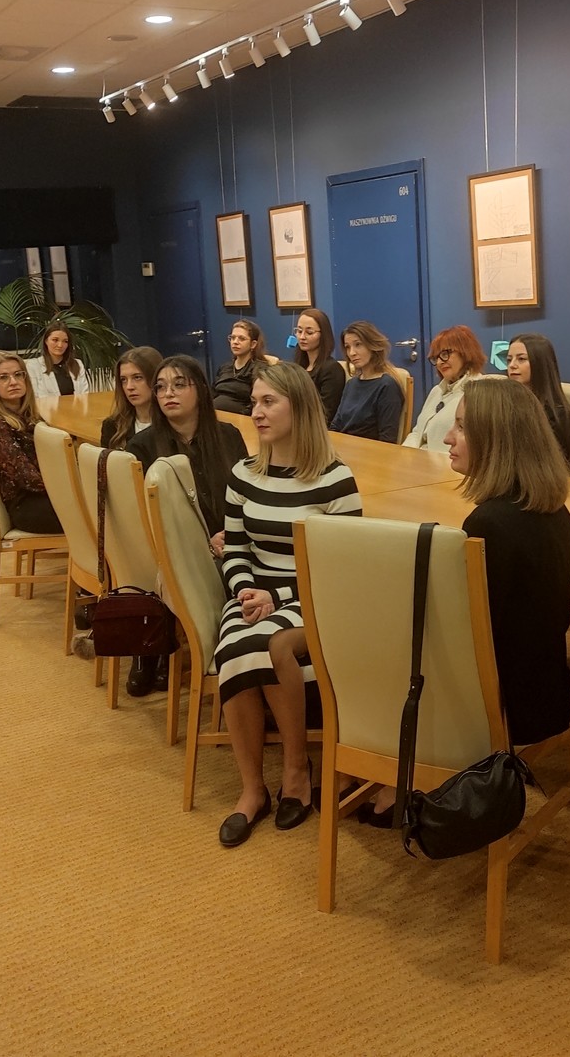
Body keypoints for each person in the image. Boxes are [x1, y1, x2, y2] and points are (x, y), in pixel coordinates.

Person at [358, 378, 570, 827]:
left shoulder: (490, 523)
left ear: (495, 440)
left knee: (381, 652)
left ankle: (390, 775)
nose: (448, 439)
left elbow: (466, 639)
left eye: (461, 428)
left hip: (504, 705)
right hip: (546, 686)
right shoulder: (555, 511)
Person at [213, 362, 362, 847]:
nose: (255, 412)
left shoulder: (335, 480)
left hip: (313, 597)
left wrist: (276, 596)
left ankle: (296, 770)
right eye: (254, 402)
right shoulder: (244, 474)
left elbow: (340, 568)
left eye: (268, 402)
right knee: (235, 646)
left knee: (261, 644)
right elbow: (236, 550)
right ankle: (253, 788)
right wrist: (243, 592)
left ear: (299, 408)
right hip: (252, 595)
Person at [123, 356, 250, 698]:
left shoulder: (228, 435)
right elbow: (148, 521)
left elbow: (246, 494)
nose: (168, 393)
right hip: (178, 552)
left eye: (179, 385)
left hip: (231, 542)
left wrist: (233, 535)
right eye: (161, 387)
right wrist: (203, 544)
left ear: (201, 390)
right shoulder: (142, 446)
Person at [0, 351, 62, 534]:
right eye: (4, 377)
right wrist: (70, 488)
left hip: (47, 495)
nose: (13, 382)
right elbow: (28, 478)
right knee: (96, 510)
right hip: (26, 505)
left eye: (18, 375)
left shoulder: (30, 417)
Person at [505, 333, 570, 469]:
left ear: (539, 363)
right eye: (509, 360)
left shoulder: (558, 415)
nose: (512, 365)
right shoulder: (506, 404)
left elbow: (553, 466)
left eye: (521, 359)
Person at [403, 325, 484, 451]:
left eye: (445, 354)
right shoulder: (436, 391)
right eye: (436, 358)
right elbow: (417, 432)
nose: (439, 362)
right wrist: (404, 453)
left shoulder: (478, 392)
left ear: (465, 353)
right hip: (418, 458)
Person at [330, 320, 403, 442]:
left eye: (358, 345)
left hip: (368, 450)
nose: (352, 353)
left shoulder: (387, 386)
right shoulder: (351, 384)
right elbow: (336, 426)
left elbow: (387, 439)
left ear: (372, 345)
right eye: (348, 347)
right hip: (343, 447)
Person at [98, 346, 163, 450]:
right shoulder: (113, 426)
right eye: (123, 380)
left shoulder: (175, 426)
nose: (129, 387)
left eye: (137, 377)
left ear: (156, 379)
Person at [292, 307, 346, 421]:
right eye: (299, 331)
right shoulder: (297, 366)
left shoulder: (332, 369)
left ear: (323, 335)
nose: (302, 337)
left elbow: (326, 413)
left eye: (309, 332)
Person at [211, 320, 266, 413]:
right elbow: (212, 393)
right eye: (233, 338)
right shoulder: (225, 367)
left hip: (241, 417)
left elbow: (257, 402)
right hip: (215, 415)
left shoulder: (260, 369)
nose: (235, 342)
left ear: (253, 344)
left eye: (241, 339)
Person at [25, 322, 89, 397]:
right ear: (46, 341)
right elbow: (34, 398)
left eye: (65, 341)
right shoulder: (34, 366)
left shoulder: (77, 364)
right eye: (55, 340)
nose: (60, 345)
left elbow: (85, 395)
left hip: (77, 404)